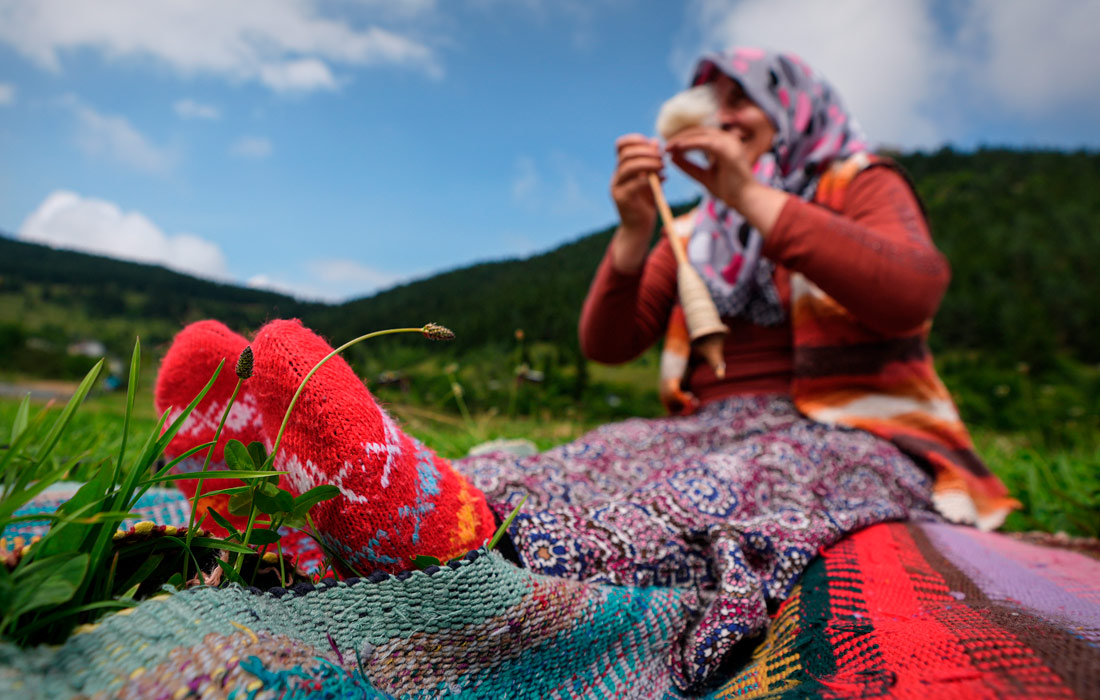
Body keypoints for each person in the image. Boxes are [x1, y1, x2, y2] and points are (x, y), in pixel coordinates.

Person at [154, 48, 1015, 692]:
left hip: (844, 430)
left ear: (792, 106)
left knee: (711, 493)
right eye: (709, 105)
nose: (722, 117)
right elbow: (610, 342)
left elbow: (909, 289)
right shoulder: (698, 233)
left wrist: (750, 193)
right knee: (575, 462)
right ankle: (305, 509)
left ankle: (461, 545)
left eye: (741, 103)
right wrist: (637, 230)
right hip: (704, 422)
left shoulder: (855, 180)